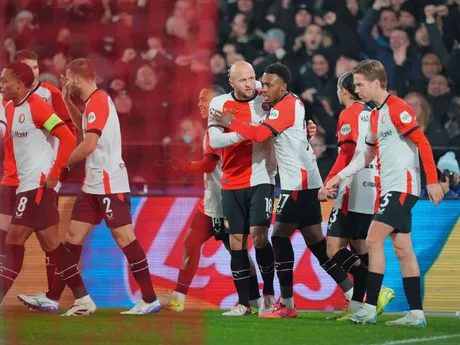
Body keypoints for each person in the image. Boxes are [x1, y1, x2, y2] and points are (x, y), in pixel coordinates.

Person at [17, 58, 160, 315]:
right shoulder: (94, 103)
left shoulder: (99, 100)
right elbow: (85, 128)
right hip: (92, 185)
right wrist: (69, 102)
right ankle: (52, 297)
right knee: (72, 238)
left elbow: (89, 144)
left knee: (124, 237)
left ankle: (149, 299)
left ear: (78, 79)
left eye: (69, 78)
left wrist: (59, 166)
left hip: (109, 183)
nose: (67, 82)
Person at [211, 63, 354, 318]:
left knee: (277, 239)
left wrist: (232, 123)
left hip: (297, 185)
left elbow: (259, 135)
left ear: (282, 86)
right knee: (318, 245)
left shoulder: (286, 105)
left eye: (267, 85)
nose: (261, 89)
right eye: (261, 84)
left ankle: (286, 305)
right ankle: (355, 294)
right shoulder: (288, 102)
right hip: (305, 182)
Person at [326, 59, 444, 326]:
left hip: (402, 187)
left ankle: (369, 307)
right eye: (354, 86)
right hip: (388, 188)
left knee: (372, 240)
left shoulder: (397, 108)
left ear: (376, 83)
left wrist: (433, 180)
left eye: (360, 85)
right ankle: (416, 313)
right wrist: (337, 177)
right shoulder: (375, 115)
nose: (356, 90)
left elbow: (422, 142)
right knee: (403, 249)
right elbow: (363, 156)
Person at [0, 62, 96, 315]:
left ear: (19, 84)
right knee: (53, 247)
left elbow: (68, 136)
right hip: (27, 186)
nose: (1, 86)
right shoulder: (9, 108)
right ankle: (84, 300)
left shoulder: (38, 106)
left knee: (12, 242)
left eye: (4, 81)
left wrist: (55, 174)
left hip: (38, 187)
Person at [164, 85, 264, 313]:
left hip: (228, 200)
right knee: (192, 243)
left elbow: (209, 163)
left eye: (203, 99)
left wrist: (183, 167)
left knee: (237, 251)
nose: (199, 104)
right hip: (211, 203)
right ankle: (179, 299)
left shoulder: (220, 128)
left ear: (217, 101)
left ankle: (254, 301)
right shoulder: (216, 128)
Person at [318, 72, 394, 321]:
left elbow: (347, 152)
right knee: (360, 247)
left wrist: (329, 181)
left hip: (353, 189)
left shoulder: (349, 113)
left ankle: (378, 289)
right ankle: (357, 306)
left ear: (344, 90)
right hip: (373, 188)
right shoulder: (373, 113)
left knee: (333, 249)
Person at [13, 49, 77, 289]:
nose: (34, 73)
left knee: (31, 240)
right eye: (29, 69)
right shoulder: (8, 96)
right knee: (44, 240)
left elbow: (69, 133)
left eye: (36, 68)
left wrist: (58, 167)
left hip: (42, 178)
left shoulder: (49, 95)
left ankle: (56, 295)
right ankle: (69, 296)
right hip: (13, 177)